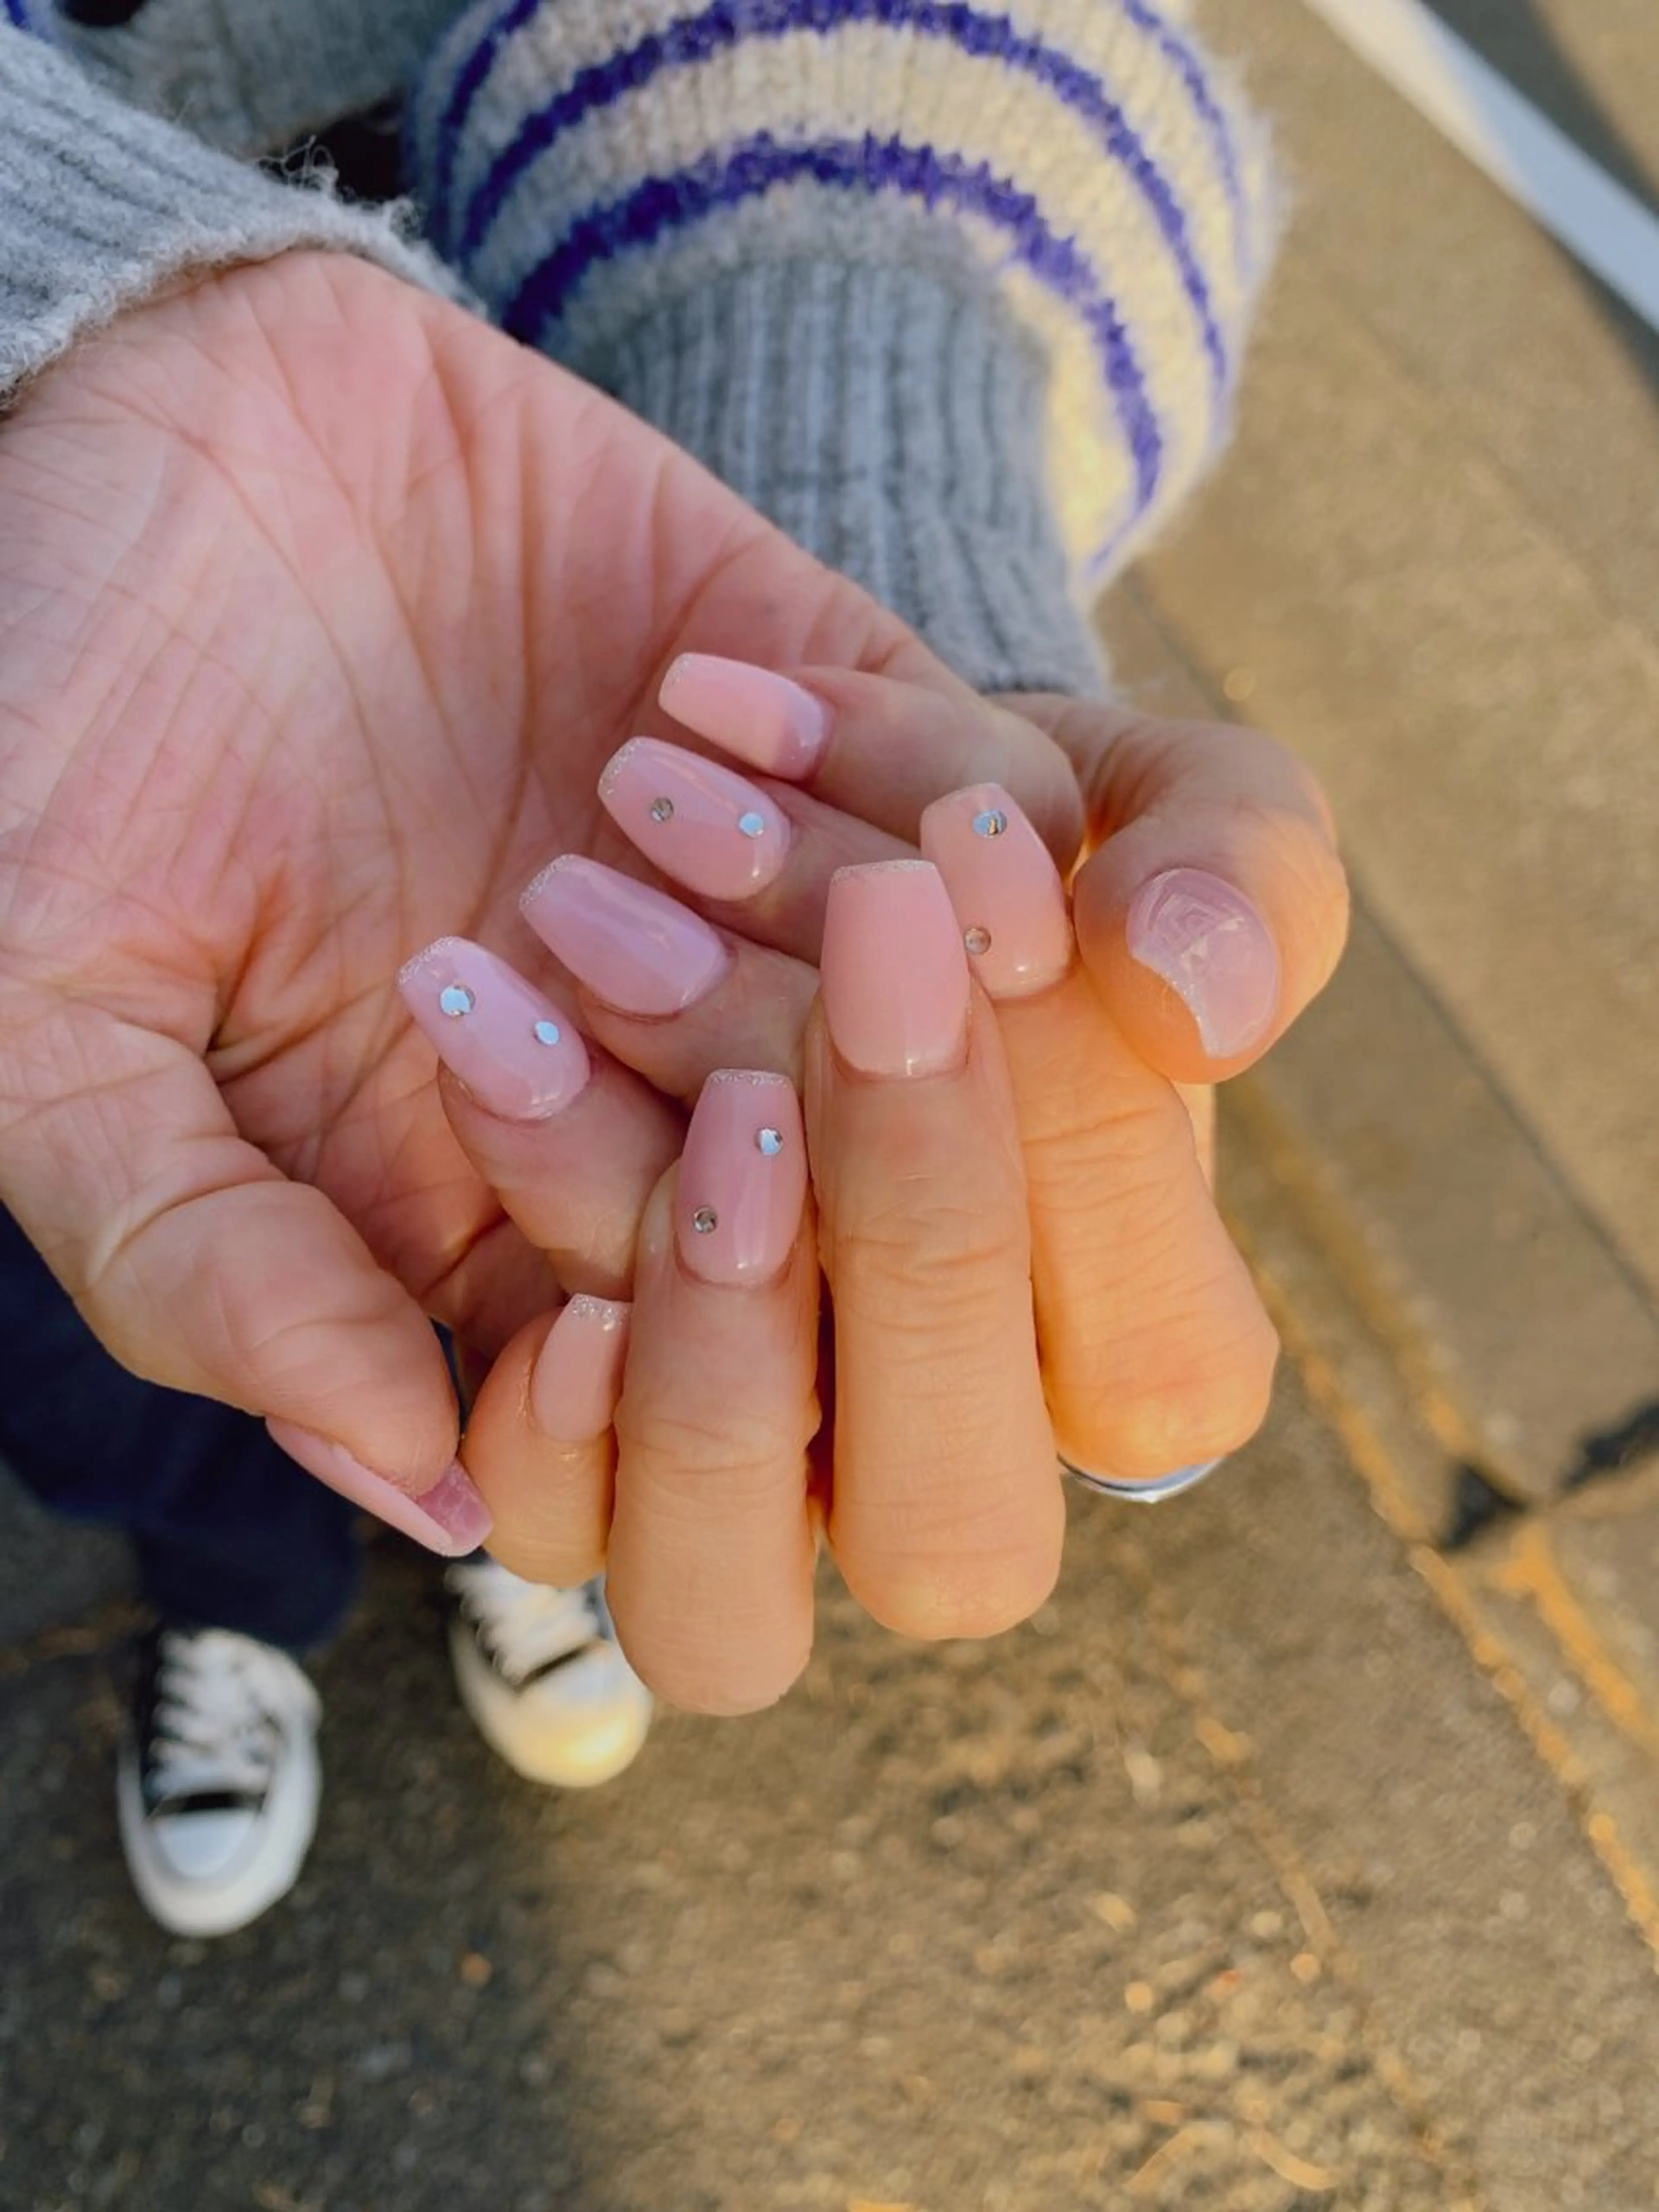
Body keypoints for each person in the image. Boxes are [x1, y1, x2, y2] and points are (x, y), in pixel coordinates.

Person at [0, 1, 1346, 1930]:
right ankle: (233, 1609)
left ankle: (489, 1521)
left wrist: (843, 517)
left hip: (500, 501)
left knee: (514, 1314)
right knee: (109, 1361)